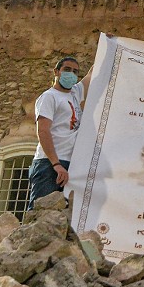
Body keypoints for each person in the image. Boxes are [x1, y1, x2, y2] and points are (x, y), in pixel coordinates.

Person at [27, 56, 92, 209]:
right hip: (49, 164)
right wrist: (56, 164)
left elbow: (91, 75)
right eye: (67, 70)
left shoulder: (75, 93)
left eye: (75, 72)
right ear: (56, 72)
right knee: (41, 213)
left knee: (62, 217)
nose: (72, 74)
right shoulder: (49, 97)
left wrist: (110, 43)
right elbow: (43, 131)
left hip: (70, 164)